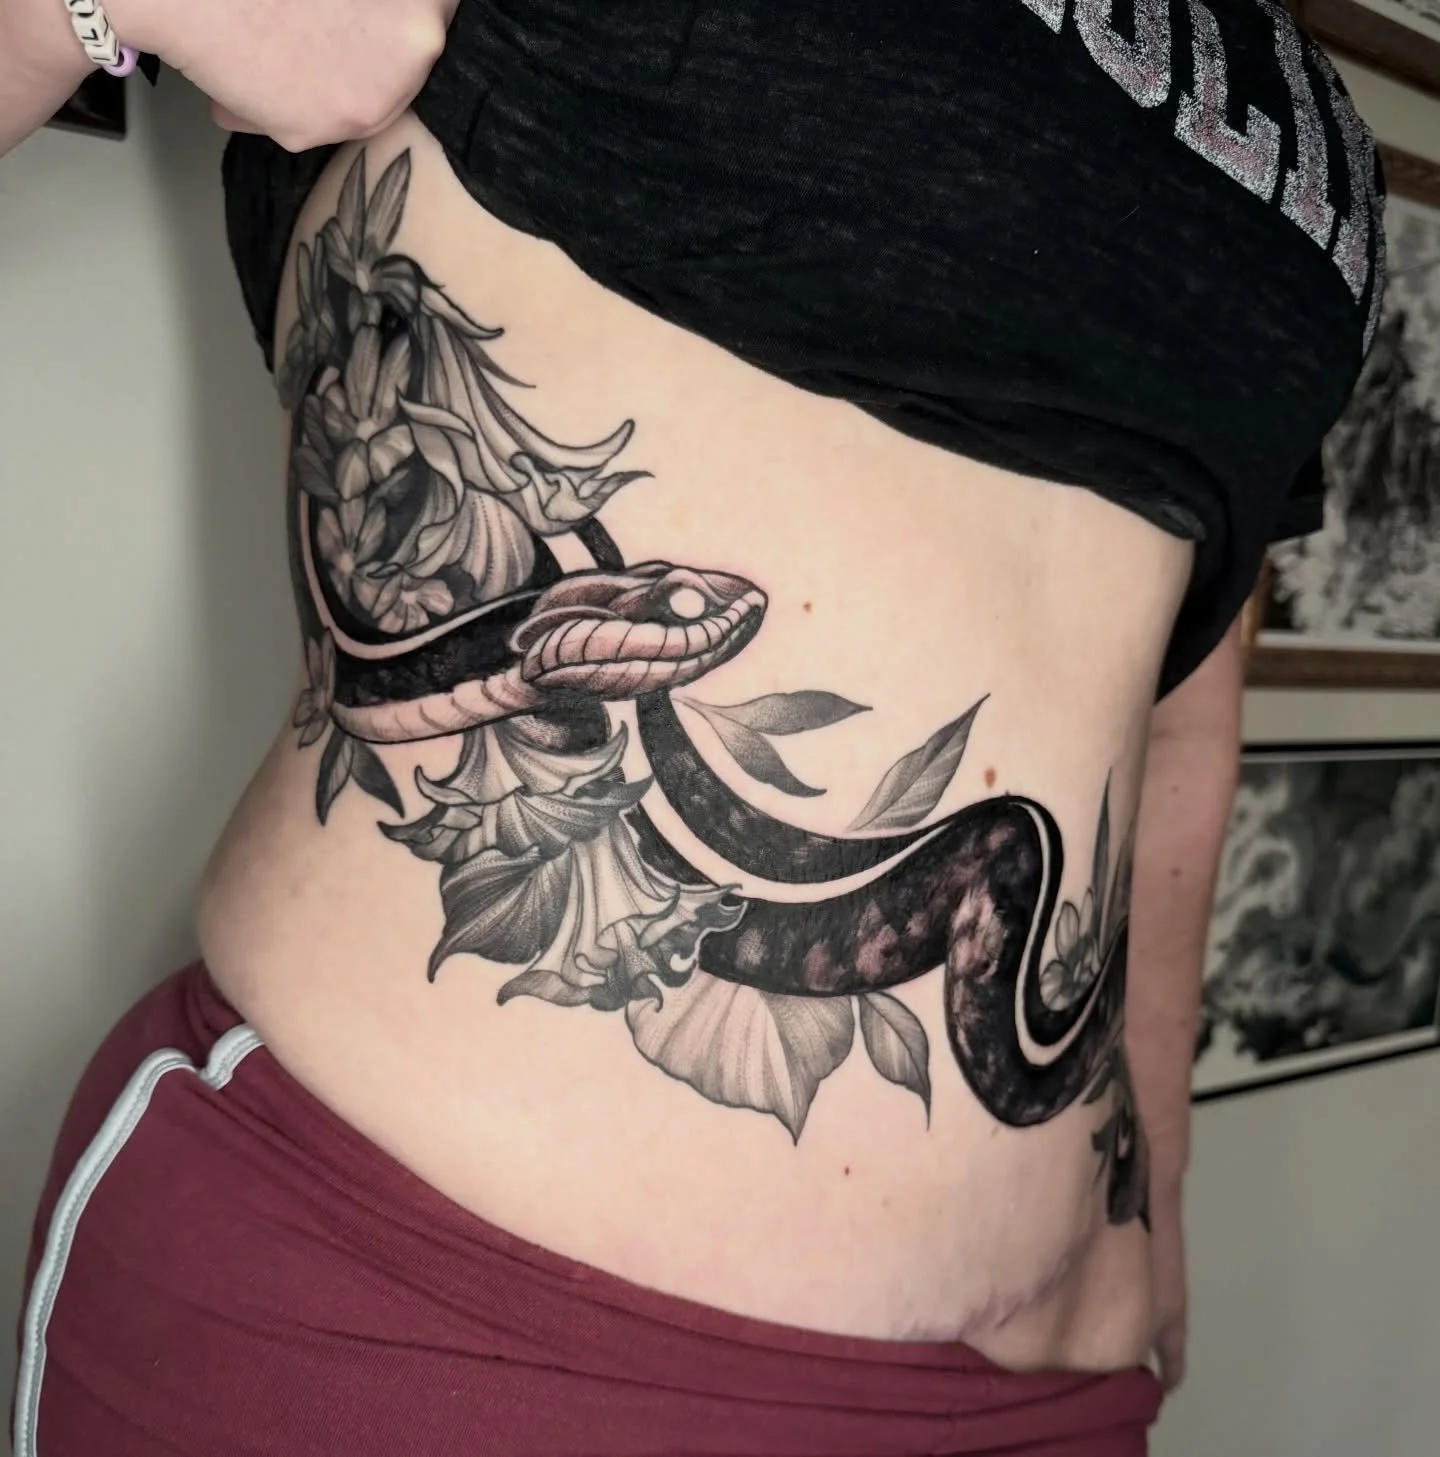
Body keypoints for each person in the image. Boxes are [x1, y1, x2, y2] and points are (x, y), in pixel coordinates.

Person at [4, 2, 1383, 1453]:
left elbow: (1176, 710)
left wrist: (1154, 1190)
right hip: (460, 1340)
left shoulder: (1283, 77)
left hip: (1059, 1388)